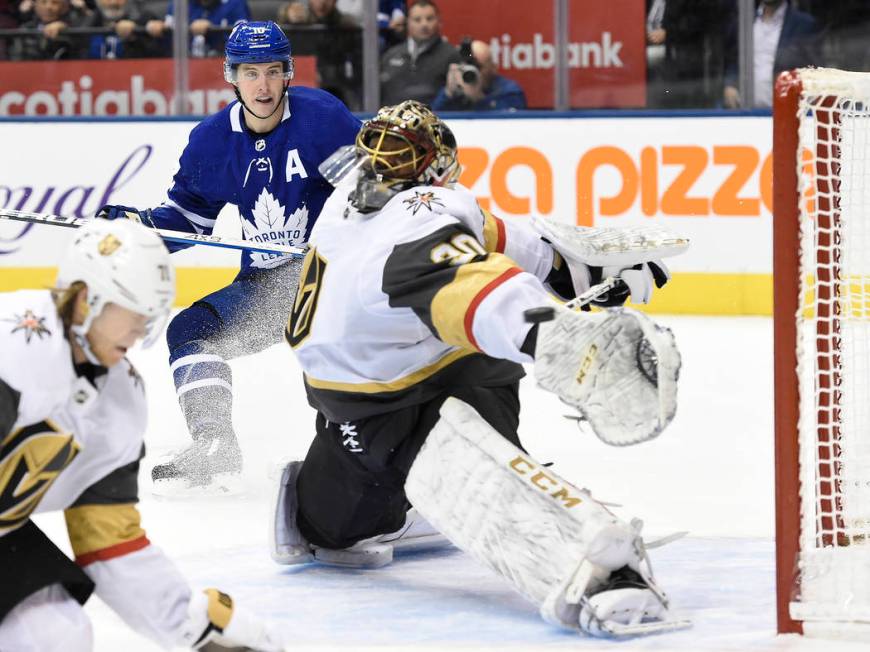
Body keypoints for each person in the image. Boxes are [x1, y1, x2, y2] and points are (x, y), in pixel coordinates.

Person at [270, 100, 690, 636]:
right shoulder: (422, 215)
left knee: (328, 532)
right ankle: (606, 575)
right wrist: (562, 339)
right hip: (417, 413)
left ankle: (390, 504)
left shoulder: (351, 197)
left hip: (344, 426)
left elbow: (502, 241)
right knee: (481, 376)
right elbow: (477, 292)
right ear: (435, 170)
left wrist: (575, 274)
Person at [96, 20, 361, 494]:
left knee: (332, 365)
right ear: (230, 75)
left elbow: (368, 193)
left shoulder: (324, 118)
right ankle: (215, 443)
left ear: (289, 73)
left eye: (272, 71)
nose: (262, 84)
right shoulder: (212, 141)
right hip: (265, 289)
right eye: (250, 72)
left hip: (328, 275)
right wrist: (140, 230)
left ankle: (365, 455)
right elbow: (189, 220)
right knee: (191, 331)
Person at [0, 219, 283, 651]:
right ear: (83, 300)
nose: (142, 328)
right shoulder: (12, 345)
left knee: (53, 634)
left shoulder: (117, 401)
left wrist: (187, 623)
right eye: (133, 309)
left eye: (152, 312)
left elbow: (108, 540)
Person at [723, 0, 820, 109]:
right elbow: (734, 59)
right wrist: (730, 85)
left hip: (787, 113)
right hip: (746, 113)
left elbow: (813, 70)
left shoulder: (804, 24)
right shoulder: (743, 22)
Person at [277, 0, 362, 110]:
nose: (322, 2)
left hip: (336, 88)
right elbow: (283, 26)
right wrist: (287, 14)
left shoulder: (345, 24)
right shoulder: (302, 19)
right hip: (303, 86)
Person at [379, 0, 458, 106]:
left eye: (429, 19)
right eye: (417, 20)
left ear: (439, 22)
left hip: (435, 119)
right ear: (408, 23)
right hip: (393, 120)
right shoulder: (390, 55)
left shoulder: (451, 55)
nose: (424, 24)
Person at [431, 37, 526, 111]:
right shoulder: (457, 89)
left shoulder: (510, 91)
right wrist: (448, 94)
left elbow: (512, 123)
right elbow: (433, 121)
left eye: (479, 66)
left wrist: (479, 99)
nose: (475, 71)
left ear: (493, 67)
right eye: (468, 66)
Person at [145, 0, 249, 57]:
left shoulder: (235, 3)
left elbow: (245, 40)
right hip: (185, 69)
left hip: (221, 67)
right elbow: (169, 45)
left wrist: (212, 29)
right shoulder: (178, 4)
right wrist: (160, 30)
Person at [9, 0, 94, 60]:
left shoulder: (73, 28)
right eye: (43, 2)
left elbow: (80, 53)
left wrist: (64, 29)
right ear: (35, 6)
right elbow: (17, 58)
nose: (48, 7)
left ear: (63, 7)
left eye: (55, 2)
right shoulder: (25, 29)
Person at [88, 0, 162, 59]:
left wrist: (134, 35)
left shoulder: (145, 19)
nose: (113, 2)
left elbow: (158, 56)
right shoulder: (86, 22)